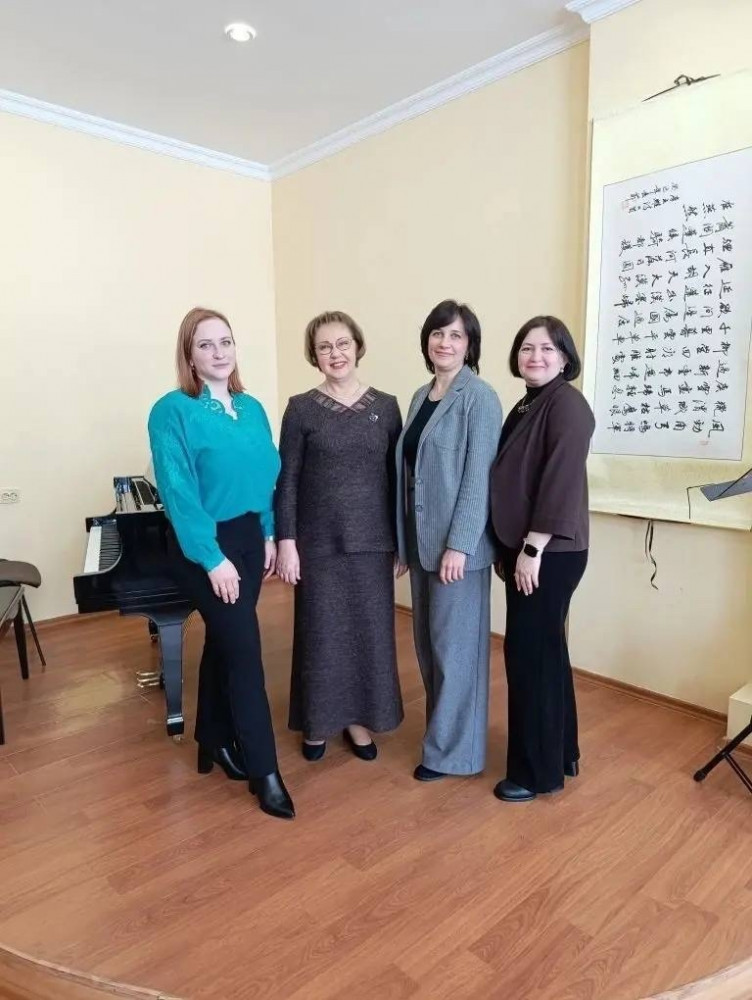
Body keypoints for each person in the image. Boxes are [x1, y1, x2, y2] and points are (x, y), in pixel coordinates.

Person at [148, 306, 295, 821]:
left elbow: (265, 476)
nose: (218, 352)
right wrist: (212, 558)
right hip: (204, 545)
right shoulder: (172, 410)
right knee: (247, 652)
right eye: (205, 344)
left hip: (251, 538)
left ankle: (210, 738)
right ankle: (265, 771)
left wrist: (269, 531)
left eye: (225, 342)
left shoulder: (251, 408)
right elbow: (178, 491)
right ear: (189, 355)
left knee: (226, 640)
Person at [275, 311, 404, 761]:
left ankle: (358, 722)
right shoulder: (300, 408)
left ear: (358, 346)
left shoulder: (387, 406)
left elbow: (397, 480)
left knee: (368, 638)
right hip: (318, 546)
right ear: (314, 355)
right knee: (322, 637)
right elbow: (287, 480)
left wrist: (402, 543)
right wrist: (287, 541)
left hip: (373, 543)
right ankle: (317, 724)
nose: (336, 353)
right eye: (325, 347)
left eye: (343, 343)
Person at [395, 300, 502, 781]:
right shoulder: (421, 396)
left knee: (456, 654)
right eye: (438, 333)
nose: (445, 342)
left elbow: (479, 478)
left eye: (456, 335)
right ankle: (443, 738)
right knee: (429, 647)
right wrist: (404, 544)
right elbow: (410, 476)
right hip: (423, 545)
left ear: (470, 345)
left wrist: (460, 545)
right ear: (426, 341)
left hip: (458, 551)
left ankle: (455, 754)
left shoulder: (480, 398)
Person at [490, 315, 595, 802]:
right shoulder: (529, 402)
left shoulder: (568, 405)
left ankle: (535, 774)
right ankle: (561, 751)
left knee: (529, 654)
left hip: (549, 551)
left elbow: (559, 481)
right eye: (527, 348)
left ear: (565, 357)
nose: (535, 356)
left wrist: (532, 548)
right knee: (547, 651)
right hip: (530, 548)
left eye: (547, 348)